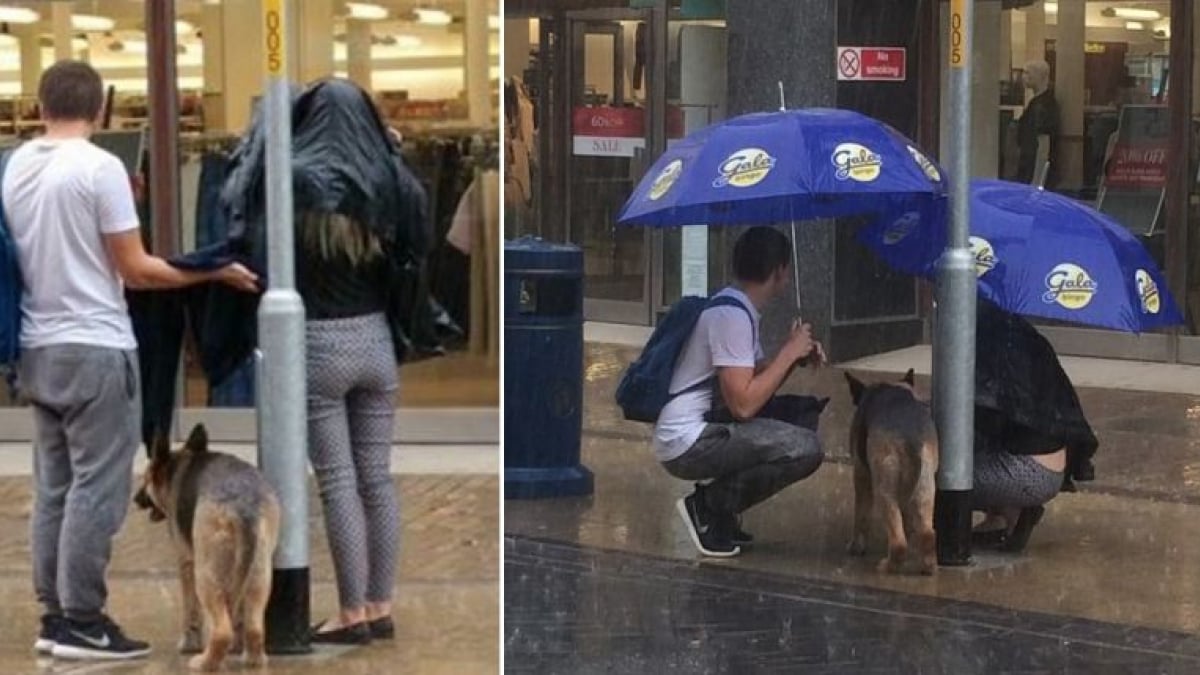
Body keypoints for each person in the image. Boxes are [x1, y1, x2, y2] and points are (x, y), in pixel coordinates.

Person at [7, 61, 256, 661]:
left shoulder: (14, 166)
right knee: (96, 489)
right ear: (101, 112)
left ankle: (55, 615)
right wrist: (213, 269)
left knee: (55, 488)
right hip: (94, 346)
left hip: (37, 347)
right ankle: (84, 621)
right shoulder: (101, 168)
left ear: (42, 106)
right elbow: (136, 269)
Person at [277, 79, 425, 644]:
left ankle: (352, 611)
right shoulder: (388, 177)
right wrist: (392, 151)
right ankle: (381, 604)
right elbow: (418, 238)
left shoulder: (294, 181)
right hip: (375, 343)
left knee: (338, 483)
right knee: (377, 481)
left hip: (318, 343)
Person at [656, 226, 826, 558]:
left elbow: (754, 378)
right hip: (690, 440)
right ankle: (709, 507)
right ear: (779, 270)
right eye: (786, 268)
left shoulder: (739, 308)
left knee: (798, 423)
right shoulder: (730, 315)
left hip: (700, 431)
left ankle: (720, 514)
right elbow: (744, 405)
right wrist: (788, 353)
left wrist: (793, 359)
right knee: (804, 446)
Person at [969, 300, 1098, 553]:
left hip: (1024, 471)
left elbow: (982, 419)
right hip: (1055, 466)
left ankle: (1006, 510)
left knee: (935, 473)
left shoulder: (990, 344)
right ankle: (1006, 515)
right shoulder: (1023, 336)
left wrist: (931, 409)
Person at [1016, 60, 1061, 189]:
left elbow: (1043, 144)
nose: (1024, 77)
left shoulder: (1043, 106)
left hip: (1033, 171)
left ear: (1038, 75)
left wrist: (1037, 179)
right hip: (1029, 166)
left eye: (1027, 73)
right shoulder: (1037, 103)